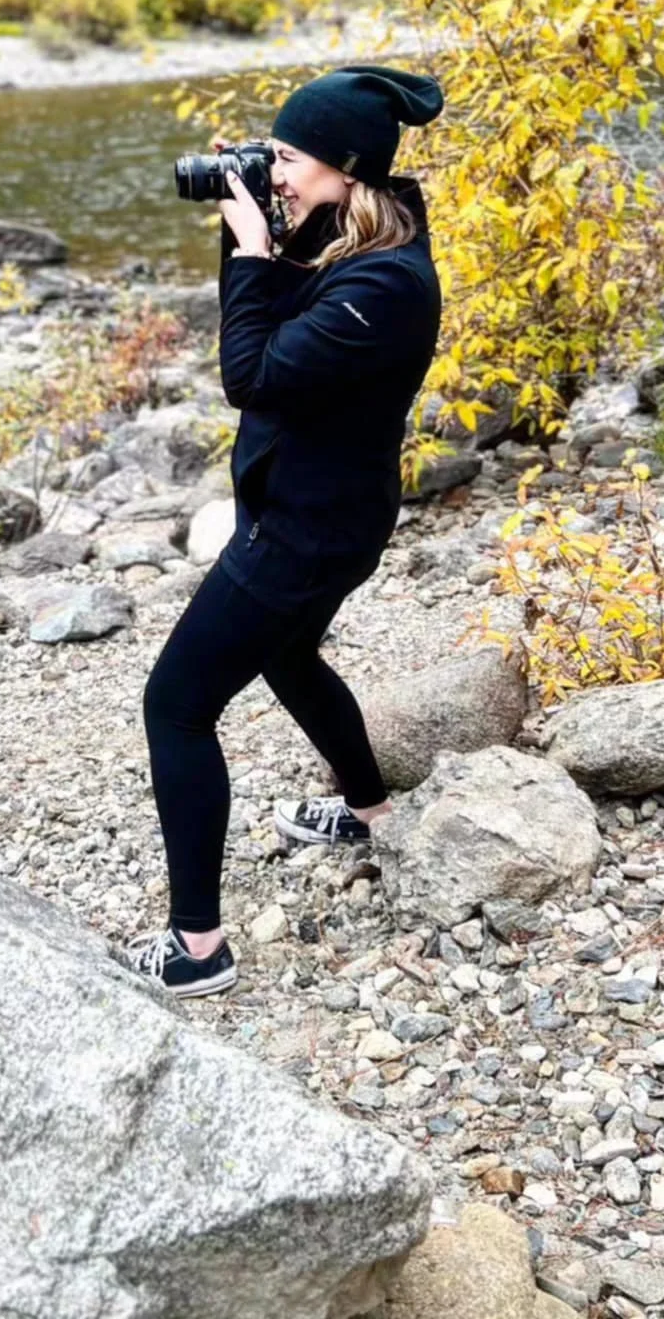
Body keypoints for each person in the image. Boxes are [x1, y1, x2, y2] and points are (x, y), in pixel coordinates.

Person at [124, 64, 446, 997]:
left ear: (350, 168)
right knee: (290, 657)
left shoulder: (385, 285)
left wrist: (255, 252)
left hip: (304, 531)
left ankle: (197, 948)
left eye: (294, 157)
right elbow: (266, 314)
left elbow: (252, 375)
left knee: (176, 706)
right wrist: (255, 228)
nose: (282, 172)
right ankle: (373, 813)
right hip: (318, 516)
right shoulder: (354, 238)